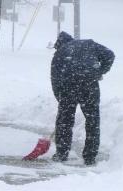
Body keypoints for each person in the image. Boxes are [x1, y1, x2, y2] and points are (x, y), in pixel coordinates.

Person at [51, 31, 115, 166]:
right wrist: (99, 71)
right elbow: (109, 54)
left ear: (60, 44)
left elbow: (55, 79)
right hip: (89, 85)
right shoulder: (89, 44)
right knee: (92, 120)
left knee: (65, 121)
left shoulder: (60, 52)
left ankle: (62, 154)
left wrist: (60, 99)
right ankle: (90, 156)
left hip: (68, 87)